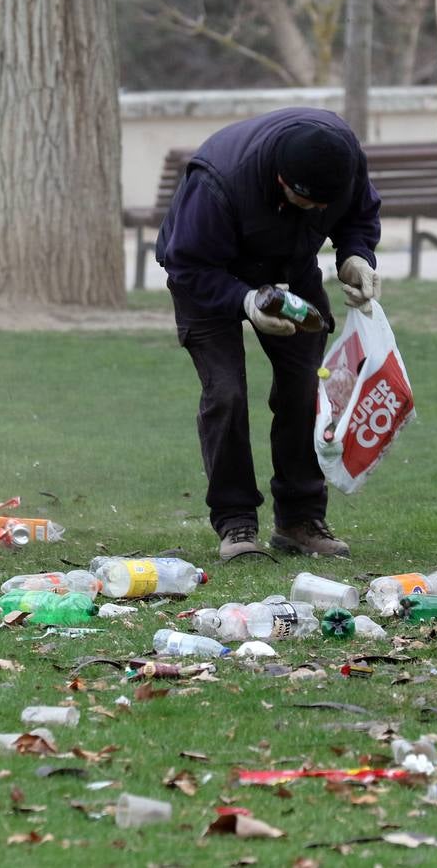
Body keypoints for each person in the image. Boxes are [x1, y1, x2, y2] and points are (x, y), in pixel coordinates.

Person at [156, 108, 383, 559]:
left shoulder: (341, 160)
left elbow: (357, 216)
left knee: (306, 386)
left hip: (289, 269)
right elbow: (186, 264)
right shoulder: (219, 183)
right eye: (310, 203)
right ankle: (236, 522)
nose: (321, 211)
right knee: (227, 395)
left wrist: (355, 256)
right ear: (282, 181)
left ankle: (299, 518)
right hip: (206, 274)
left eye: (326, 203)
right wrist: (245, 301)